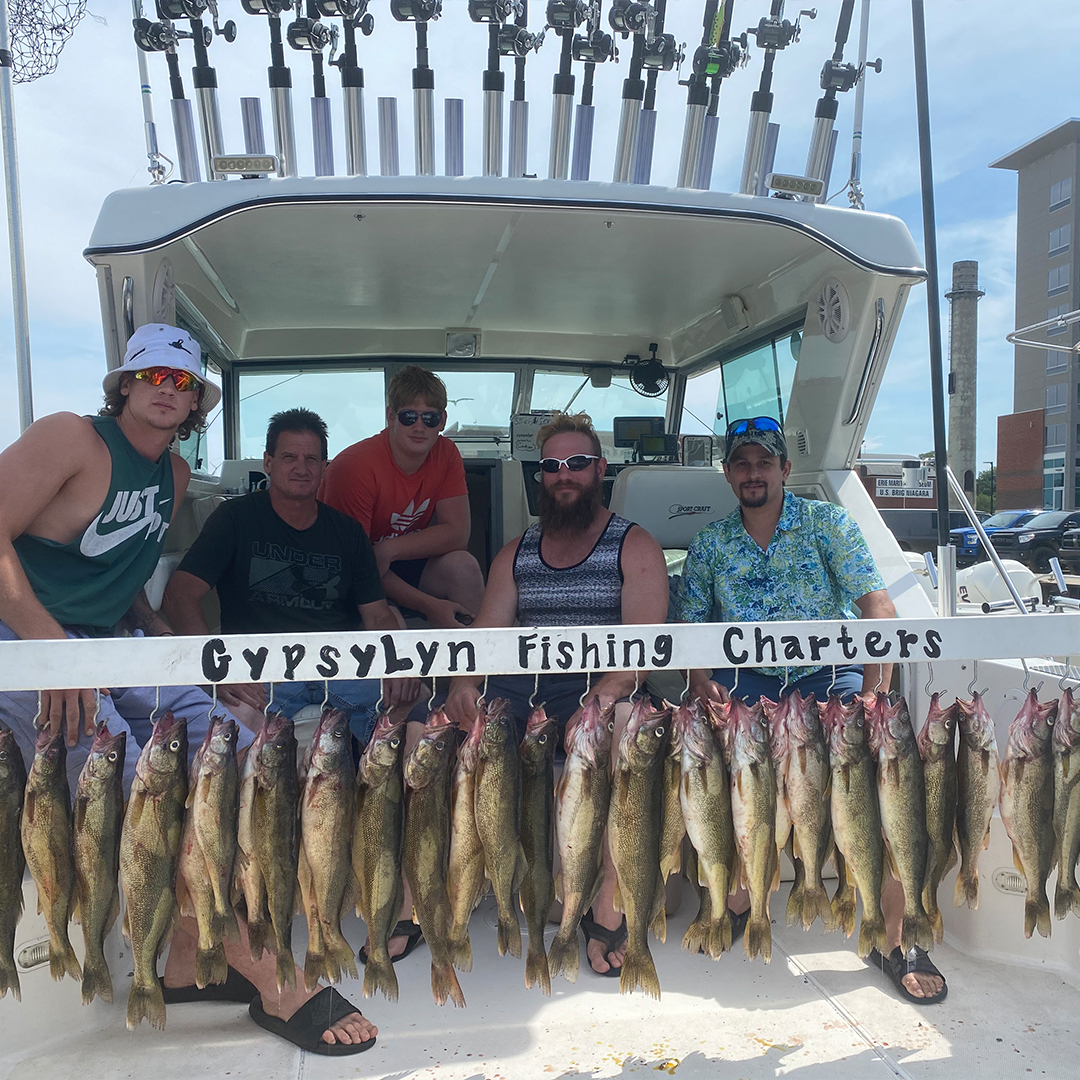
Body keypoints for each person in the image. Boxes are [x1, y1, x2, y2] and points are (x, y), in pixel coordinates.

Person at [0, 324, 376, 1054]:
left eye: (183, 382)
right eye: (154, 377)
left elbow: (123, 572)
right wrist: (53, 655)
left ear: (195, 400)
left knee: (233, 749)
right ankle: (269, 974)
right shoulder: (68, 438)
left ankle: (180, 960)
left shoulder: (172, 476)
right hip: (28, 647)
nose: (168, 391)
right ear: (125, 385)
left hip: (112, 642)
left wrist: (163, 646)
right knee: (146, 796)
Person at [677, 414, 946, 1006]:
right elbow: (691, 630)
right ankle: (739, 892)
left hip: (832, 677)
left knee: (885, 786)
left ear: (784, 470)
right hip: (746, 685)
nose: (754, 472)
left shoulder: (827, 523)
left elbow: (876, 606)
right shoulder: (710, 545)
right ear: (728, 474)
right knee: (730, 786)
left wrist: (877, 692)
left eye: (764, 462)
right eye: (742, 463)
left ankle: (896, 937)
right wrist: (701, 685)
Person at [443, 411, 671, 977]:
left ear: (600, 470)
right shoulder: (516, 551)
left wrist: (600, 698)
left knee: (622, 731)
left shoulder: (635, 545)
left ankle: (605, 908)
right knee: (427, 731)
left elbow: (641, 648)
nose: (563, 474)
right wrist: (463, 683)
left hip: (603, 686)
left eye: (576, 463)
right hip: (525, 690)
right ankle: (418, 907)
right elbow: (487, 634)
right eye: (551, 466)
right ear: (540, 477)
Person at [162, 407, 420, 741]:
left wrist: (398, 663)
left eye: (312, 459)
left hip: (338, 665)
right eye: (288, 457)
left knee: (419, 712)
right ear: (268, 462)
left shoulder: (348, 532)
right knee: (228, 731)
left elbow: (377, 615)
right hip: (259, 666)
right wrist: (217, 669)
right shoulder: (235, 518)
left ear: (324, 468)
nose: (301, 468)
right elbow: (179, 594)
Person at [320, 365, 485, 628]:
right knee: (390, 622)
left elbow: (457, 534)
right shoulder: (354, 467)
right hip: (346, 574)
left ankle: (479, 665)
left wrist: (388, 550)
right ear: (390, 416)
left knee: (463, 567)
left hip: (393, 560)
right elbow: (359, 564)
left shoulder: (446, 453)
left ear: (442, 421)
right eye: (409, 416)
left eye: (429, 418)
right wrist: (430, 606)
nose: (419, 427)